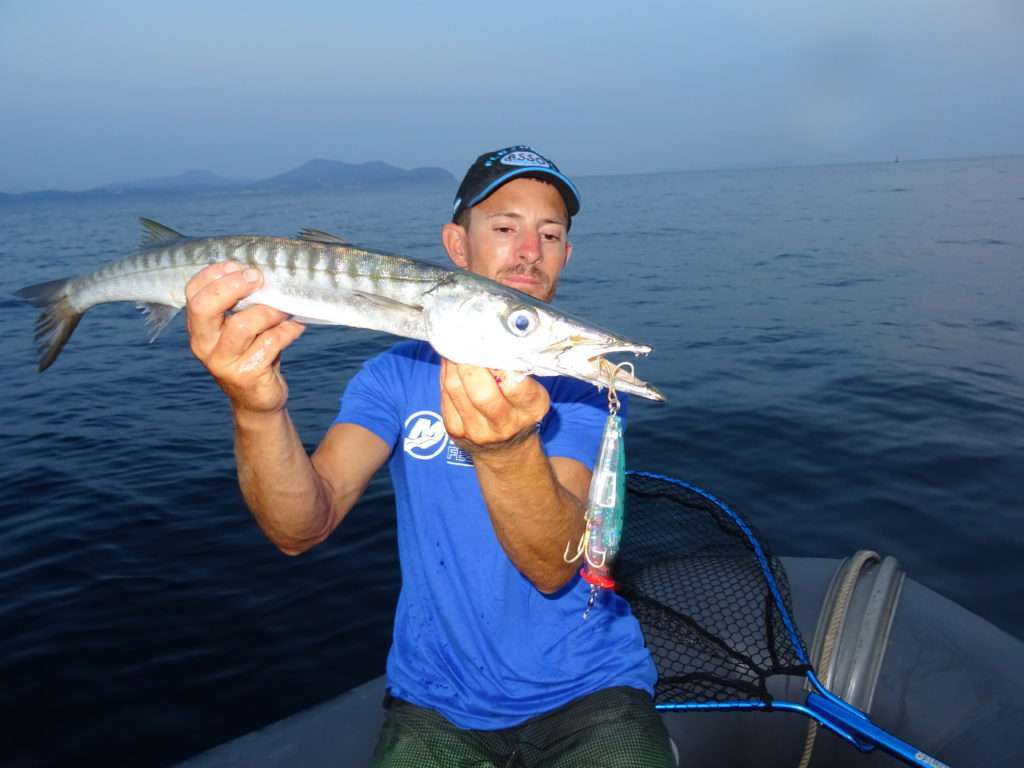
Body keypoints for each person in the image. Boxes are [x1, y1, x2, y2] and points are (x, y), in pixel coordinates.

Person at [185, 146, 675, 767]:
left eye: (550, 234)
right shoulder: (390, 377)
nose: (530, 249)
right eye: (504, 227)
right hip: (434, 697)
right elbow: (300, 527)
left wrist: (503, 451)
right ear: (457, 245)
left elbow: (558, 565)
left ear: (566, 254)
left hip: (593, 689)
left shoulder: (582, 389)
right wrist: (255, 409)